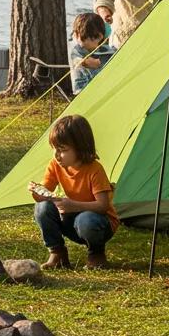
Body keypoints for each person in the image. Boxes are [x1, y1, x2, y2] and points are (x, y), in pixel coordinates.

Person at [30, 114, 118, 270]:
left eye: (62, 149)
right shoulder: (56, 165)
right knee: (42, 207)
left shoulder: (94, 169)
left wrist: (73, 205)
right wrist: (37, 191)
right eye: (54, 149)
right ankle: (57, 253)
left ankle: (96, 255)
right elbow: (44, 195)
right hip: (71, 219)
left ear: (80, 148)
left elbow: (103, 205)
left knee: (86, 219)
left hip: (98, 224)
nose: (57, 155)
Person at [69, 11, 114, 94]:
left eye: (94, 38)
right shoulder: (77, 49)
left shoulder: (102, 47)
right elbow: (77, 60)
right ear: (76, 35)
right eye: (84, 38)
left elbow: (107, 31)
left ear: (100, 37)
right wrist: (84, 62)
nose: (86, 42)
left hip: (100, 89)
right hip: (82, 90)